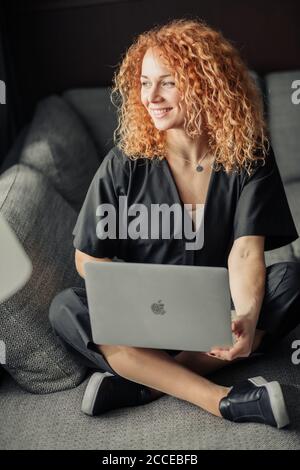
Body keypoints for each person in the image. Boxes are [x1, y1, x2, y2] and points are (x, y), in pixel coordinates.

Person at [49, 18, 300, 428]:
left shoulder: (248, 154)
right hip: (142, 319)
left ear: (206, 82)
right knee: (66, 307)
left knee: (290, 279)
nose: (151, 97)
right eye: (145, 83)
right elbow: (86, 258)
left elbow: (245, 250)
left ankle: (143, 382)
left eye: (167, 83)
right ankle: (222, 399)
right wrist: (139, 294)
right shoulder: (124, 162)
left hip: (216, 314)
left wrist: (248, 314)